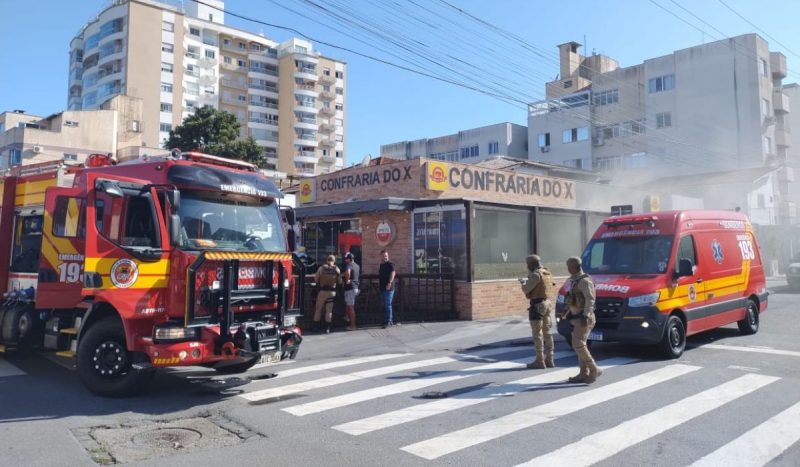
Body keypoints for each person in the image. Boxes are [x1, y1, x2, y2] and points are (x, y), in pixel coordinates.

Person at [562, 256, 601, 383]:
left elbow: (590, 299)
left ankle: (593, 369)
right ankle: (583, 373)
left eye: (569, 267)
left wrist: (586, 315)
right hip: (576, 317)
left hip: (583, 318)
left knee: (578, 344)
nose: (568, 269)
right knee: (580, 345)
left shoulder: (584, 281)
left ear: (574, 267)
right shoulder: (574, 280)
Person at [519, 254, 555, 369]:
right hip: (547, 304)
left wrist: (523, 283)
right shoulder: (547, 272)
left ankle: (540, 360)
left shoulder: (535, 274)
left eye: (528, 265)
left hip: (537, 306)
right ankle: (550, 358)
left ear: (531, 264)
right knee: (547, 332)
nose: (527, 267)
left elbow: (526, 290)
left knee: (537, 333)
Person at [313, 254, 341, 334]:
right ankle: (327, 328)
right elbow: (340, 282)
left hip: (322, 292)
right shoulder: (336, 269)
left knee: (318, 309)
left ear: (327, 260)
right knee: (329, 311)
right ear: (334, 261)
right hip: (332, 292)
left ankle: (316, 327)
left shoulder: (321, 268)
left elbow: (316, 279)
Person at [342, 252, 360, 331]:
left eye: (346, 259)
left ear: (350, 259)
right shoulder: (357, 266)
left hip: (350, 288)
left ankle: (353, 326)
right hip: (355, 287)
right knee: (349, 306)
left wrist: (347, 280)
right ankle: (347, 317)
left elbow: (348, 272)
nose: (345, 260)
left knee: (351, 307)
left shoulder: (349, 265)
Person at [378, 250, 396, 328]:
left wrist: (390, 282)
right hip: (382, 288)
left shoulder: (390, 264)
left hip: (389, 288)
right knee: (384, 305)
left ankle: (390, 321)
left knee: (388, 305)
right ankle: (386, 320)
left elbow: (393, 273)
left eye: (386, 256)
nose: (385, 257)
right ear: (381, 256)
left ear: (388, 256)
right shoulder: (381, 265)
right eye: (383, 256)